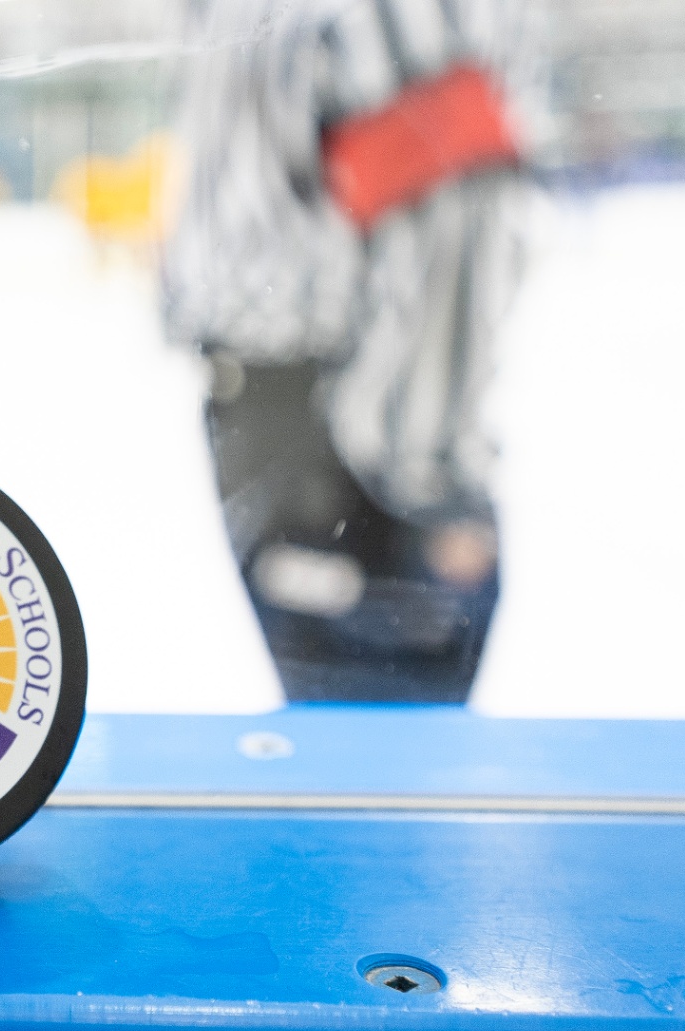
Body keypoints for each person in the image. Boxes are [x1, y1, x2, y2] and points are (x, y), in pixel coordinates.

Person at [164, 0, 537, 702]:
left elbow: (454, 221)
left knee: (377, 741)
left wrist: (427, 471)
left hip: (353, 436)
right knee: (344, 734)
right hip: (282, 406)